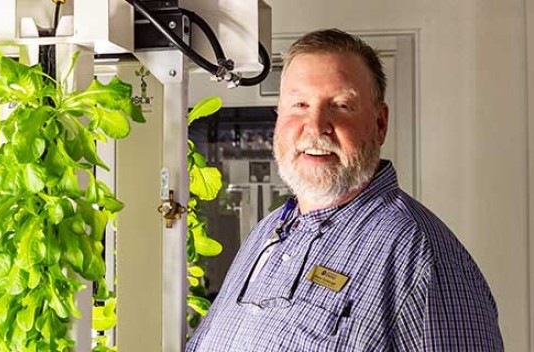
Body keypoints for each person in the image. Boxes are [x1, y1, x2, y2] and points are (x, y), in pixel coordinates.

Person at [185, 29, 503, 351]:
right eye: (299, 104)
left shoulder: (423, 260)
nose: (315, 126)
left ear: (380, 124)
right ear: (278, 119)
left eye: (340, 105)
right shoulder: (267, 233)